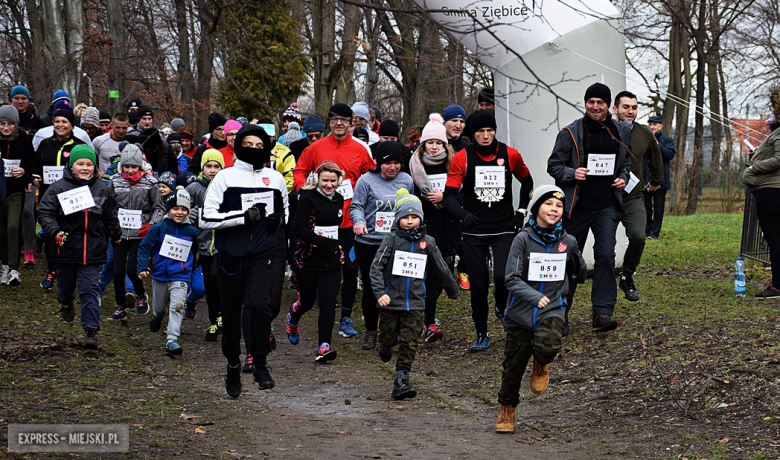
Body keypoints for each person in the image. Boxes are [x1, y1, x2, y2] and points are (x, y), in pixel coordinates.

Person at [201, 124, 288, 397]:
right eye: (247, 144)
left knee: (260, 306)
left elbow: (282, 213)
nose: (253, 149)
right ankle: (232, 362)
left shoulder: (275, 179)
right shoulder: (224, 177)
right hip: (231, 256)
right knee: (231, 313)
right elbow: (205, 218)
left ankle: (260, 363)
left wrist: (275, 221)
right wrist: (242, 217)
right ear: (238, 146)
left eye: (259, 145)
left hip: (264, 253)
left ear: (267, 147)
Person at [495, 185, 586, 433]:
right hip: (520, 313)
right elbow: (510, 279)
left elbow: (580, 269)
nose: (554, 209)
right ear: (536, 208)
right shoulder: (522, 239)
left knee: (548, 344)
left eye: (558, 206)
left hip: (553, 309)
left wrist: (576, 267)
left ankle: (542, 360)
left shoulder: (567, 241)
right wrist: (534, 297)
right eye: (548, 204)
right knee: (512, 368)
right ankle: (507, 408)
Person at [443, 109, 533, 351]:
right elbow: (448, 196)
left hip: (504, 227)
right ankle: (481, 333)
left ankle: (501, 308)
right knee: (479, 284)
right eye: (480, 132)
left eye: (489, 130)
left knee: (504, 276)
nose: (485, 135)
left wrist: (521, 212)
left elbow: (527, 182)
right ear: (472, 135)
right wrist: (463, 215)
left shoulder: (510, 154)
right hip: (474, 231)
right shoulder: (462, 157)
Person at [547, 82, 632, 335]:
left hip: (606, 205)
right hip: (576, 207)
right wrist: (573, 173)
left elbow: (625, 163)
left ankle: (603, 312)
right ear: (586, 103)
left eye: (601, 102)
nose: (595, 106)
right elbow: (554, 166)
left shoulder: (620, 131)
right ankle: (560, 313)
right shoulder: (570, 132)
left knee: (606, 255)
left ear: (609, 106)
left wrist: (623, 178)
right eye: (591, 102)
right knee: (569, 259)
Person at [292, 103, 375, 340]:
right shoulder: (316, 147)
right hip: (318, 224)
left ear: (352, 123)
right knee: (314, 271)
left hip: (348, 224)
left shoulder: (361, 149)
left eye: (344, 119)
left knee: (350, 268)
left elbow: (372, 175)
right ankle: (308, 304)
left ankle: (345, 317)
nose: (339, 123)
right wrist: (303, 191)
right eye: (334, 119)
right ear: (329, 122)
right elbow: (299, 171)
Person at [370, 188, 459, 399]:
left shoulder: (427, 242)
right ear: (398, 219)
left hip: (416, 301)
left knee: (410, 341)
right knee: (389, 336)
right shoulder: (391, 240)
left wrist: (453, 289)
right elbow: (376, 267)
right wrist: (380, 293)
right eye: (405, 217)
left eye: (414, 217)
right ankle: (384, 346)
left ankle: (402, 379)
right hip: (390, 300)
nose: (410, 222)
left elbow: (440, 267)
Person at [37, 145, 120, 350]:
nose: (85, 168)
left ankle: (91, 330)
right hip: (65, 250)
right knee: (65, 288)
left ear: (95, 166)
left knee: (89, 289)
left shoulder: (102, 189)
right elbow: (45, 213)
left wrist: (116, 235)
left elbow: (110, 216)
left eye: (89, 164)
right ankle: (66, 303)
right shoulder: (58, 188)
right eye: (80, 164)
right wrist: (55, 232)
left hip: (92, 249)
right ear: (71, 165)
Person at [350, 141, 414, 349]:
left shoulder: (406, 180)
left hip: (396, 242)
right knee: (372, 287)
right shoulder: (366, 181)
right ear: (378, 163)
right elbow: (357, 206)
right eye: (388, 163)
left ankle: (392, 331)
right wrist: (359, 222)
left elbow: (409, 208)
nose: (392, 167)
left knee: (395, 286)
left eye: (397, 163)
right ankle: (370, 331)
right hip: (369, 242)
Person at [288, 161, 345, 362]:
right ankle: (293, 318)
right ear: (316, 179)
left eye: (332, 181)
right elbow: (298, 228)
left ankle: (324, 345)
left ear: (339, 181)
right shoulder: (308, 198)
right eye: (324, 180)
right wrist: (325, 242)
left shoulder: (339, 198)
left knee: (329, 303)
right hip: (308, 259)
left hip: (330, 260)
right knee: (308, 302)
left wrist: (337, 246)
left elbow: (337, 227)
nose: (329, 185)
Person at [408, 113, 458, 341]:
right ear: (423, 144)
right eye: (430, 142)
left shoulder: (454, 164)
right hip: (422, 227)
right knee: (421, 275)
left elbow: (462, 195)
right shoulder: (414, 166)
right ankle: (423, 319)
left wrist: (444, 196)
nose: (435, 147)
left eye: (439, 143)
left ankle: (429, 317)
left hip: (447, 227)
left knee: (439, 275)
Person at [611, 91, 662, 302]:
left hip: (634, 195)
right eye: (625, 107)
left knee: (639, 237)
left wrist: (656, 182)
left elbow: (655, 158)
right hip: (607, 198)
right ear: (615, 109)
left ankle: (627, 276)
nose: (630, 111)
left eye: (633, 107)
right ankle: (604, 281)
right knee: (605, 246)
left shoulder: (645, 133)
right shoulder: (606, 131)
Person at [106, 144, 165, 321]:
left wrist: (152, 225)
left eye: (134, 167)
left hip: (141, 232)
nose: (130, 171)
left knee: (133, 270)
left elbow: (159, 208)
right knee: (117, 272)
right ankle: (120, 307)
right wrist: (110, 225)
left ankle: (140, 295)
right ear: (121, 166)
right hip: (120, 231)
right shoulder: (115, 181)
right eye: (127, 166)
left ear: (140, 166)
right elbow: (109, 205)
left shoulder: (150, 182)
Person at [137, 188, 198, 356]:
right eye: (175, 208)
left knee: (178, 306)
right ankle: (157, 317)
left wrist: (192, 269)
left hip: (180, 275)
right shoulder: (158, 228)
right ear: (168, 209)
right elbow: (144, 248)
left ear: (188, 211)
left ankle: (172, 340)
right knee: (159, 308)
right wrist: (142, 267)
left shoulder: (192, 232)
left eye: (184, 209)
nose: (179, 212)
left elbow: (196, 251)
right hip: (160, 275)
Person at [34, 108, 88, 290]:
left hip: (73, 197)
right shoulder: (45, 144)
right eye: (57, 121)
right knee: (51, 235)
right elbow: (36, 165)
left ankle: (73, 271)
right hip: (49, 197)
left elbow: (89, 169)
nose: (60, 125)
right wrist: (35, 177)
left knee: (71, 234)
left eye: (64, 121)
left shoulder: (80, 146)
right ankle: (52, 269)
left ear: (72, 124)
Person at [743, 88, 780, 299]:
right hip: (770, 190)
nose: (770, 116)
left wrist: (754, 166)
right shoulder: (775, 134)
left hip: (772, 192)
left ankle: (777, 286)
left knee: (774, 239)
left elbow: (779, 160)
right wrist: (757, 155)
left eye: (774, 111)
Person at [186, 149, 224, 340]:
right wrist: (189, 214)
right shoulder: (193, 188)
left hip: (222, 245)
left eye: (216, 166)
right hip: (201, 245)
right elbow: (180, 210)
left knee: (220, 282)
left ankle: (220, 319)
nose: (212, 170)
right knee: (207, 285)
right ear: (202, 167)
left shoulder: (227, 187)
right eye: (208, 166)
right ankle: (213, 320)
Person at [0, 105, 33, 286]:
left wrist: (24, 172)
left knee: (13, 226)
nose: (6, 127)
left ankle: (14, 268)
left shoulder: (24, 140)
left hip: (15, 190)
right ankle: (4, 265)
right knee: (1, 230)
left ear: (16, 124)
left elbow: (32, 162)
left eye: (10, 124)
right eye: (2, 123)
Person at [644, 115, 676, 239]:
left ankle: (654, 233)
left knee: (658, 208)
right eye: (650, 124)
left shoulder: (667, 140)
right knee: (646, 207)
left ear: (660, 126)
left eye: (655, 124)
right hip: (645, 180)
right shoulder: (643, 139)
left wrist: (657, 146)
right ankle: (646, 230)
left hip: (661, 181)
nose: (652, 127)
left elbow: (669, 155)